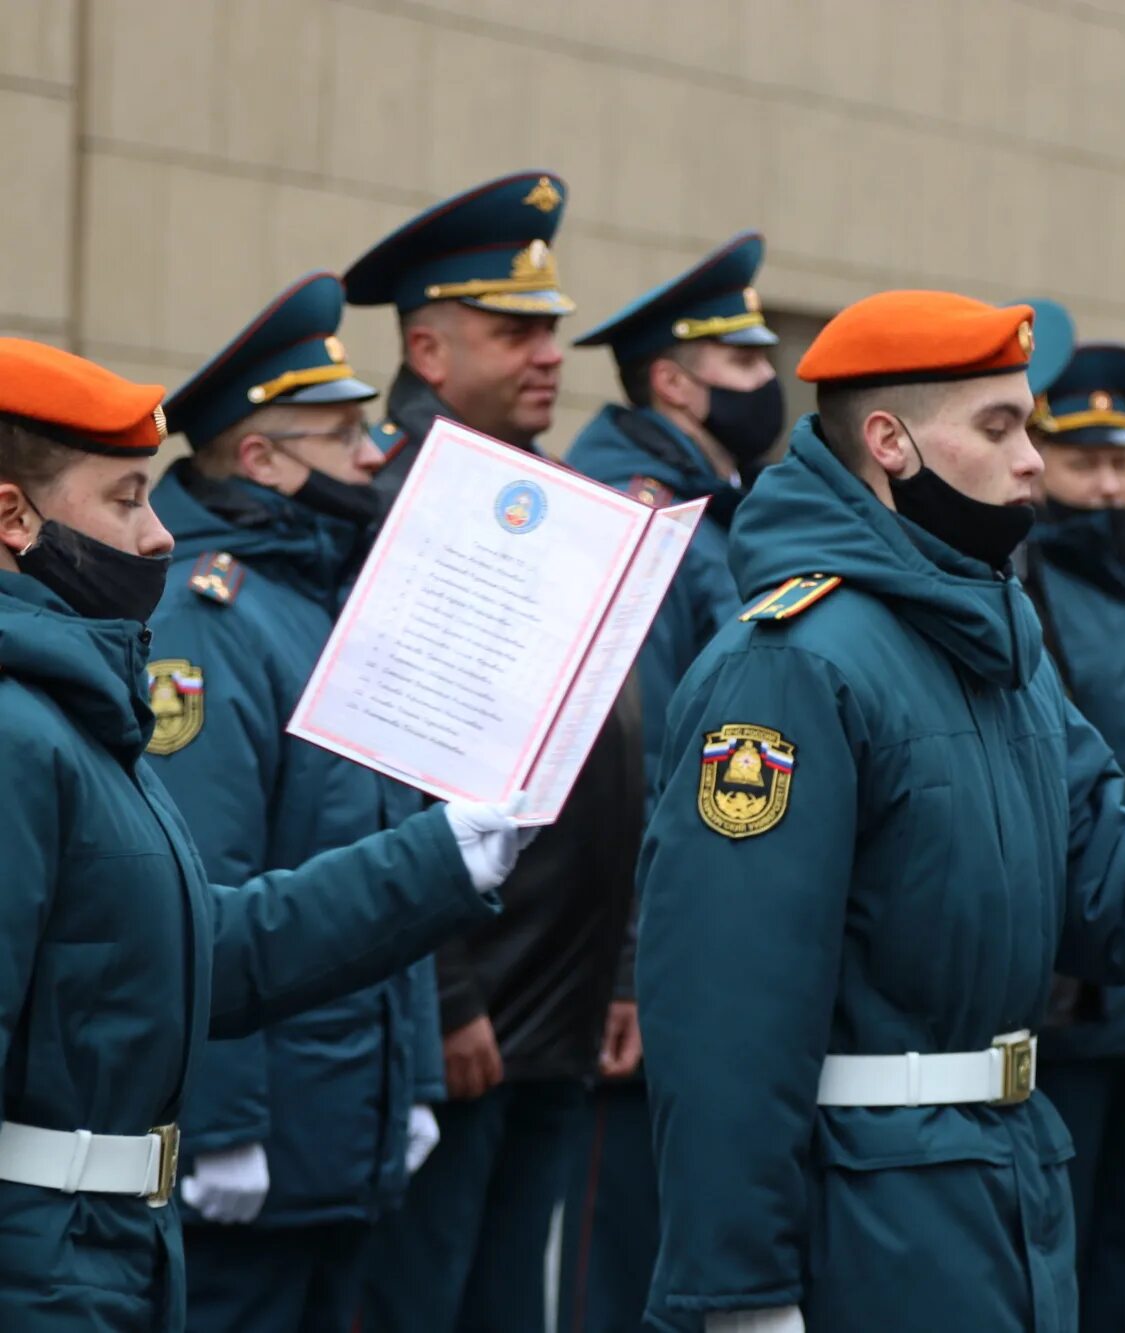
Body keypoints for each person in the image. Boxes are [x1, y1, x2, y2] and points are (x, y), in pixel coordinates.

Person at [634, 291, 1125, 1333]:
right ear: (890, 443)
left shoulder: (990, 641)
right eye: (997, 425)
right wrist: (741, 1288)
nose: (1029, 458)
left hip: (1002, 1181)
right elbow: (725, 1006)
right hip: (865, 1217)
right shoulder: (790, 665)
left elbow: (1102, 877)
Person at [0, 338, 528, 1333]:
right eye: (123, 499)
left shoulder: (69, 713)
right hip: (46, 1266)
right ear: (11, 515)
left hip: (104, 1251)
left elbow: (208, 949)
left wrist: (449, 855)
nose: (160, 535)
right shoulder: (19, 730)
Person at [343, 171, 649, 1333]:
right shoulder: (399, 505)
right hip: (466, 1013)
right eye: (511, 330)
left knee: (507, 1305)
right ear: (426, 349)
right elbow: (382, 773)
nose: (546, 354)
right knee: (425, 1304)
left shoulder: (538, 496)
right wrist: (444, 995)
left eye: (551, 331)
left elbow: (601, 746)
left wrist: (616, 968)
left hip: (558, 1004)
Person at [142, 274, 443, 1332]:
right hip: (259, 1148)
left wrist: (415, 1077)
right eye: (341, 433)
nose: (373, 455)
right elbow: (201, 893)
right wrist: (220, 1127)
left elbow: (385, 857)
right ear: (261, 459)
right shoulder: (208, 617)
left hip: (340, 1131)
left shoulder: (319, 601)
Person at [558, 230, 783, 1333]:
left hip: (690, 939)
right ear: (671, 380)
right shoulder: (636, 514)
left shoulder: (710, 504)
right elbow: (633, 759)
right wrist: (632, 968)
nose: (769, 384)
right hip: (635, 960)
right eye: (745, 366)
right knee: (625, 1254)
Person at [1016, 339, 1125, 1333]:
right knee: (1059, 1245)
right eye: (1085, 462)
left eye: (1121, 461)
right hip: (1076, 987)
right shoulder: (1032, 583)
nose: (1110, 484)